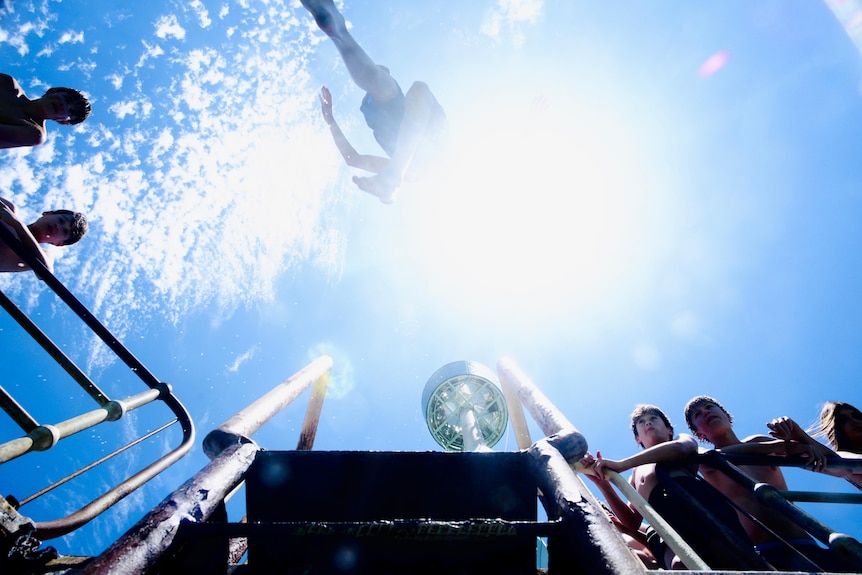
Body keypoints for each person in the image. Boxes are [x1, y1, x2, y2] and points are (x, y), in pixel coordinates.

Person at [684, 395, 855, 572]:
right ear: (699, 434)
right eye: (698, 414)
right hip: (767, 555)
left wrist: (799, 436)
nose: (705, 412)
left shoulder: (760, 442)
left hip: (808, 545)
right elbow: (708, 458)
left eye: (710, 406)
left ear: (727, 415)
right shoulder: (707, 459)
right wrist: (780, 447)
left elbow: (842, 470)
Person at [300, 0, 446, 204]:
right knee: (395, 86)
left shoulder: (421, 163)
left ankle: (338, 31)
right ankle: (337, 31)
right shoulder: (394, 100)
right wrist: (331, 121)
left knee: (397, 87)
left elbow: (353, 159)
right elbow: (353, 159)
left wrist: (331, 121)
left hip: (408, 145)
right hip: (406, 141)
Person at [579, 404, 754, 570]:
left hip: (697, 506)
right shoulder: (635, 473)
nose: (648, 422)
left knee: (728, 555)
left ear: (669, 430)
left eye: (654, 418)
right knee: (680, 565)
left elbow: (681, 449)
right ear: (637, 438)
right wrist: (603, 484)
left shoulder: (680, 440)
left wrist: (622, 464)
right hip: (665, 526)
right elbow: (632, 521)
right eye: (641, 421)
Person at [0, 73, 91, 150]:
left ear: (63, 121)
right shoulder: (8, 84)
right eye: (67, 99)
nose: (64, 106)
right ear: (52, 91)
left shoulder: (35, 134)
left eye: (70, 112)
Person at [0, 197, 88, 273]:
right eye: (61, 220)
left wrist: (17, 225)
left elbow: (46, 271)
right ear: (47, 214)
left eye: (64, 231)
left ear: (58, 243)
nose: (58, 227)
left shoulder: (45, 256)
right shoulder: (9, 208)